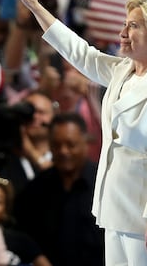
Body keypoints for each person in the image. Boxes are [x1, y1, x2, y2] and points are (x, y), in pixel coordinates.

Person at [14, 0, 147, 265]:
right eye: (126, 24)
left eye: (134, 26)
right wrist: (36, 8)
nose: (123, 33)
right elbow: (79, 52)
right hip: (118, 209)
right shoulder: (123, 70)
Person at [14, 113, 103, 265]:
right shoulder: (35, 189)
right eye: (56, 145)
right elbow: (23, 236)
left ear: (85, 142)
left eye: (71, 145)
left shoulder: (104, 185)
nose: (63, 151)